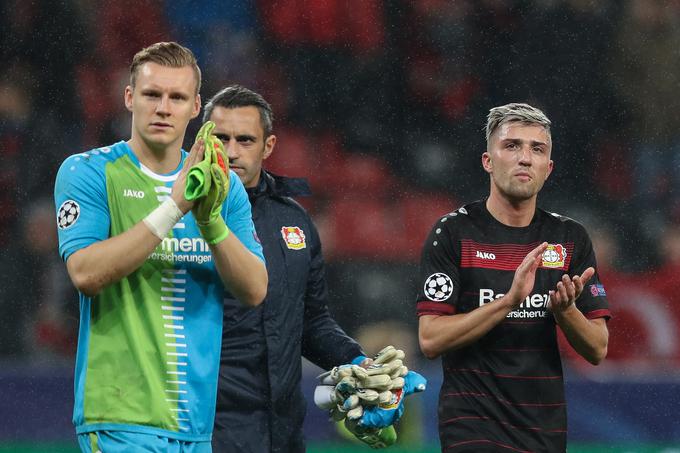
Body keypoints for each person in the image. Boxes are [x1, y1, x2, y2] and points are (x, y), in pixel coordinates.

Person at [54, 42, 267, 452]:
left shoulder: (224, 187)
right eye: (152, 94)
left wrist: (210, 221)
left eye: (177, 97)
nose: (164, 108)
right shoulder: (88, 172)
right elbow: (85, 273)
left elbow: (255, 289)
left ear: (195, 107)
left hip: (195, 424)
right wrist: (175, 206)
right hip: (120, 418)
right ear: (130, 97)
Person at [416, 103, 610, 452]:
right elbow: (430, 339)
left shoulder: (569, 238)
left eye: (537, 149)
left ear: (548, 168)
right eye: (512, 146)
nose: (525, 158)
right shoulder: (454, 232)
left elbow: (597, 348)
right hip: (472, 427)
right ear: (488, 161)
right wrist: (509, 302)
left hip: (543, 431)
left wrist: (565, 311)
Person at [202, 85, 367, 452]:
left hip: (283, 429)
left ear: (269, 146)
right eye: (221, 139)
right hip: (207, 427)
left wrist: (358, 361)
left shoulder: (294, 220)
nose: (230, 152)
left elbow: (311, 321)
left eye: (245, 140)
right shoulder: (183, 218)